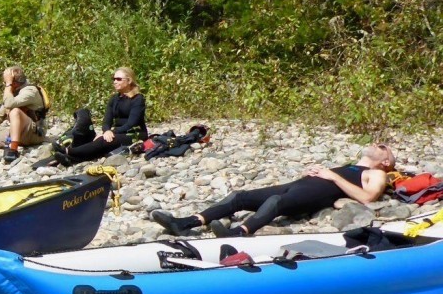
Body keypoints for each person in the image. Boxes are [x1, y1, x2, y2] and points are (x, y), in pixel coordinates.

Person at [150, 143, 396, 238]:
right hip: (301, 186)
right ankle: (186, 222)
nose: (376, 143)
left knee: (277, 201)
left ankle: (239, 233)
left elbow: (367, 197)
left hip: (315, 196)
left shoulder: (377, 173)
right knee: (240, 196)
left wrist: (331, 175)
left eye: (383, 146)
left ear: (386, 161)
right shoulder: (350, 166)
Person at [55, 67, 146, 165]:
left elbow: (132, 123)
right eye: (114, 79)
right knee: (102, 142)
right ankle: (73, 159)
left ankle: (69, 152)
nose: (115, 81)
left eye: (118, 79)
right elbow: (106, 121)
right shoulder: (114, 99)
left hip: (135, 134)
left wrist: (111, 132)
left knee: (104, 140)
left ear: (129, 80)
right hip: (118, 132)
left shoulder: (138, 99)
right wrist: (106, 130)